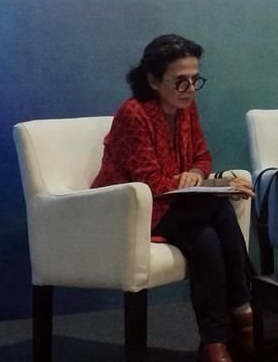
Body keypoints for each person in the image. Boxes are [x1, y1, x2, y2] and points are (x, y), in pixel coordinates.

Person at [91, 34, 256, 362]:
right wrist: (205, 184)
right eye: (181, 82)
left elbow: (202, 154)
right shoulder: (133, 113)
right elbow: (149, 183)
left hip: (177, 206)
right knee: (216, 210)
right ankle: (246, 316)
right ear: (153, 80)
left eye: (195, 80)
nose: (190, 90)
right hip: (131, 209)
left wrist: (196, 172)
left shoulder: (186, 108)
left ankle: (214, 342)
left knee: (208, 239)